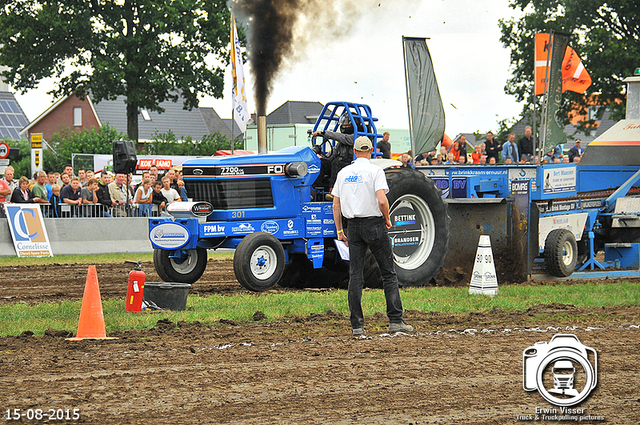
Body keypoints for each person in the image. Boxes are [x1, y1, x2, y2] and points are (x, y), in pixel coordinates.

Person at [331, 136, 414, 336]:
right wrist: (387, 218)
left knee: (355, 276)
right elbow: (382, 201)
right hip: (374, 224)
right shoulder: (375, 171)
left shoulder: (344, 173)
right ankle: (395, 320)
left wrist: (340, 230)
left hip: (354, 227)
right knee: (388, 273)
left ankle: (357, 325)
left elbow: (336, 204)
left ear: (354, 152)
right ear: (370, 152)